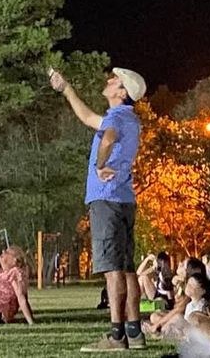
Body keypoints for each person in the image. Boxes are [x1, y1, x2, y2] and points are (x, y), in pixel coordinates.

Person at [50, 66, 148, 352]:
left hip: (106, 198)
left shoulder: (117, 118)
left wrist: (99, 166)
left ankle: (116, 336)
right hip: (124, 199)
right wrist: (66, 88)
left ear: (122, 93)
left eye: (114, 81)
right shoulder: (128, 118)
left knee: (113, 270)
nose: (109, 81)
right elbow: (87, 117)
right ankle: (134, 332)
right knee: (127, 268)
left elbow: (107, 138)